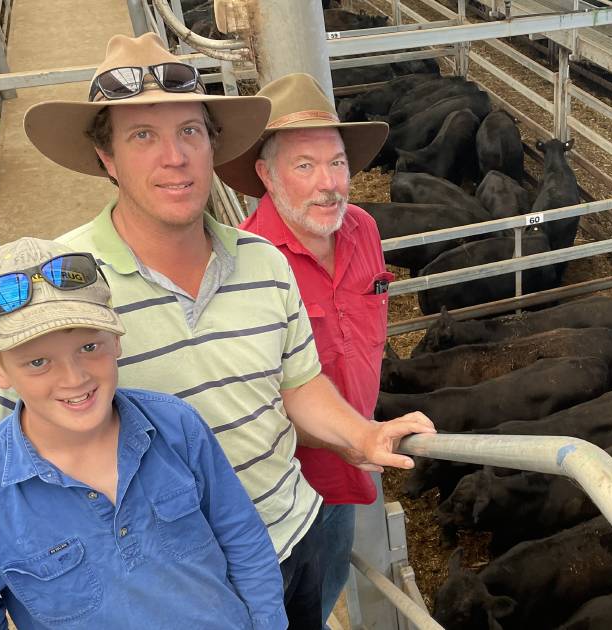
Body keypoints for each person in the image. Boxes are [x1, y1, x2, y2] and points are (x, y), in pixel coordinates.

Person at [0, 33, 434, 628]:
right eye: (144, 136)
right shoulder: (56, 285)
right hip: (183, 585)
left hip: (296, 528)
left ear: (213, 147)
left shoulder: (265, 261)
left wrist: (362, 434)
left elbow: (298, 383)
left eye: (190, 131)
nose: (175, 156)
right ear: (106, 159)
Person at [0, 237, 287, 629]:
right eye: (37, 361)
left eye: (88, 346)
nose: (74, 378)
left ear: (116, 338)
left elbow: (242, 537)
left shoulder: (177, 427)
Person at [216, 73, 391, 629]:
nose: (329, 184)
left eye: (337, 163)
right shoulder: (244, 265)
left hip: (350, 463)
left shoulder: (363, 228)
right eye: (305, 166)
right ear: (265, 176)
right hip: (279, 485)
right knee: (275, 605)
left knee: (327, 583)